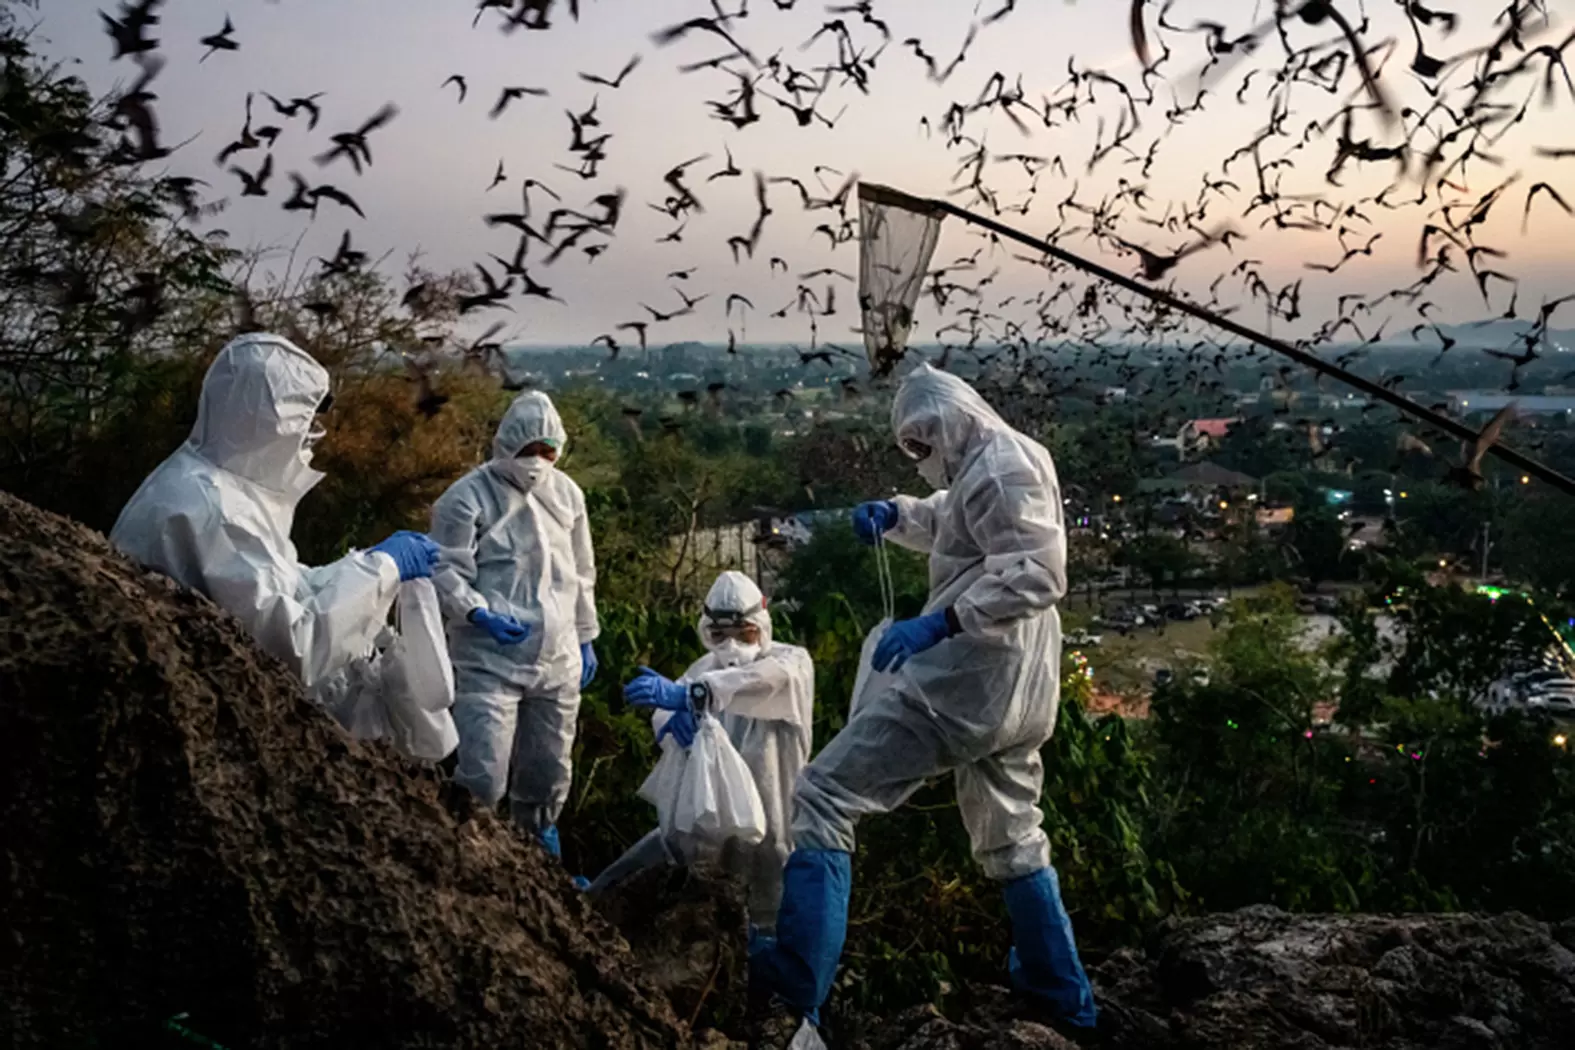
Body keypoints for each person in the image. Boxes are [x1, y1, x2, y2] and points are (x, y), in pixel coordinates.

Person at [751, 364, 1098, 1043]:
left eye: (920, 441)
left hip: (967, 684)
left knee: (822, 794)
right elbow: (956, 520)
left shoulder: (998, 466)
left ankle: (794, 986)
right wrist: (897, 516)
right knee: (1011, 834)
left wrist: (939, 624)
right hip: (1023, 692)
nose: (918, 456)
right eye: (907, 448)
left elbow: (1038, 571)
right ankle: (1061, 996)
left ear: (952, 417)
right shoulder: (996, 458)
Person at [111, 333, 440, 723]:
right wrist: (382, 569)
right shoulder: (214, 509)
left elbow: (279, 586)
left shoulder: (208, 479)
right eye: (306, 424)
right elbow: (294, 648)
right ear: (270, 425)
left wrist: (363, 565)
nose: (313, 439)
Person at [588, 571, 814, 933]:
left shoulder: (792, 664)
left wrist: (691, 697)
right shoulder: (704, 670)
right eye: (719, 635)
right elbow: (669, 707)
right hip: (711, 827)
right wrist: (670, 723)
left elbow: (754, 682)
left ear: (763, 622)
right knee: (672, 896)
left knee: (766, 920)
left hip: (774, 828)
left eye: (744, 633)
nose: (732, 646)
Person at [429, 390, 599, 857]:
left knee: (548, 770)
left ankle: (540, 857)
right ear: (507, 446)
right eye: (530, 452)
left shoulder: (567, 495)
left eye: (549, 452)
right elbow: (445, 568)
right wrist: (476, 612)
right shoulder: (466, 499)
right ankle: (468, 854)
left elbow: (581, 572)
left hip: (558, 657)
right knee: (483, 773)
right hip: (489, 660)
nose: (539, 462)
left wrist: (586, 636)